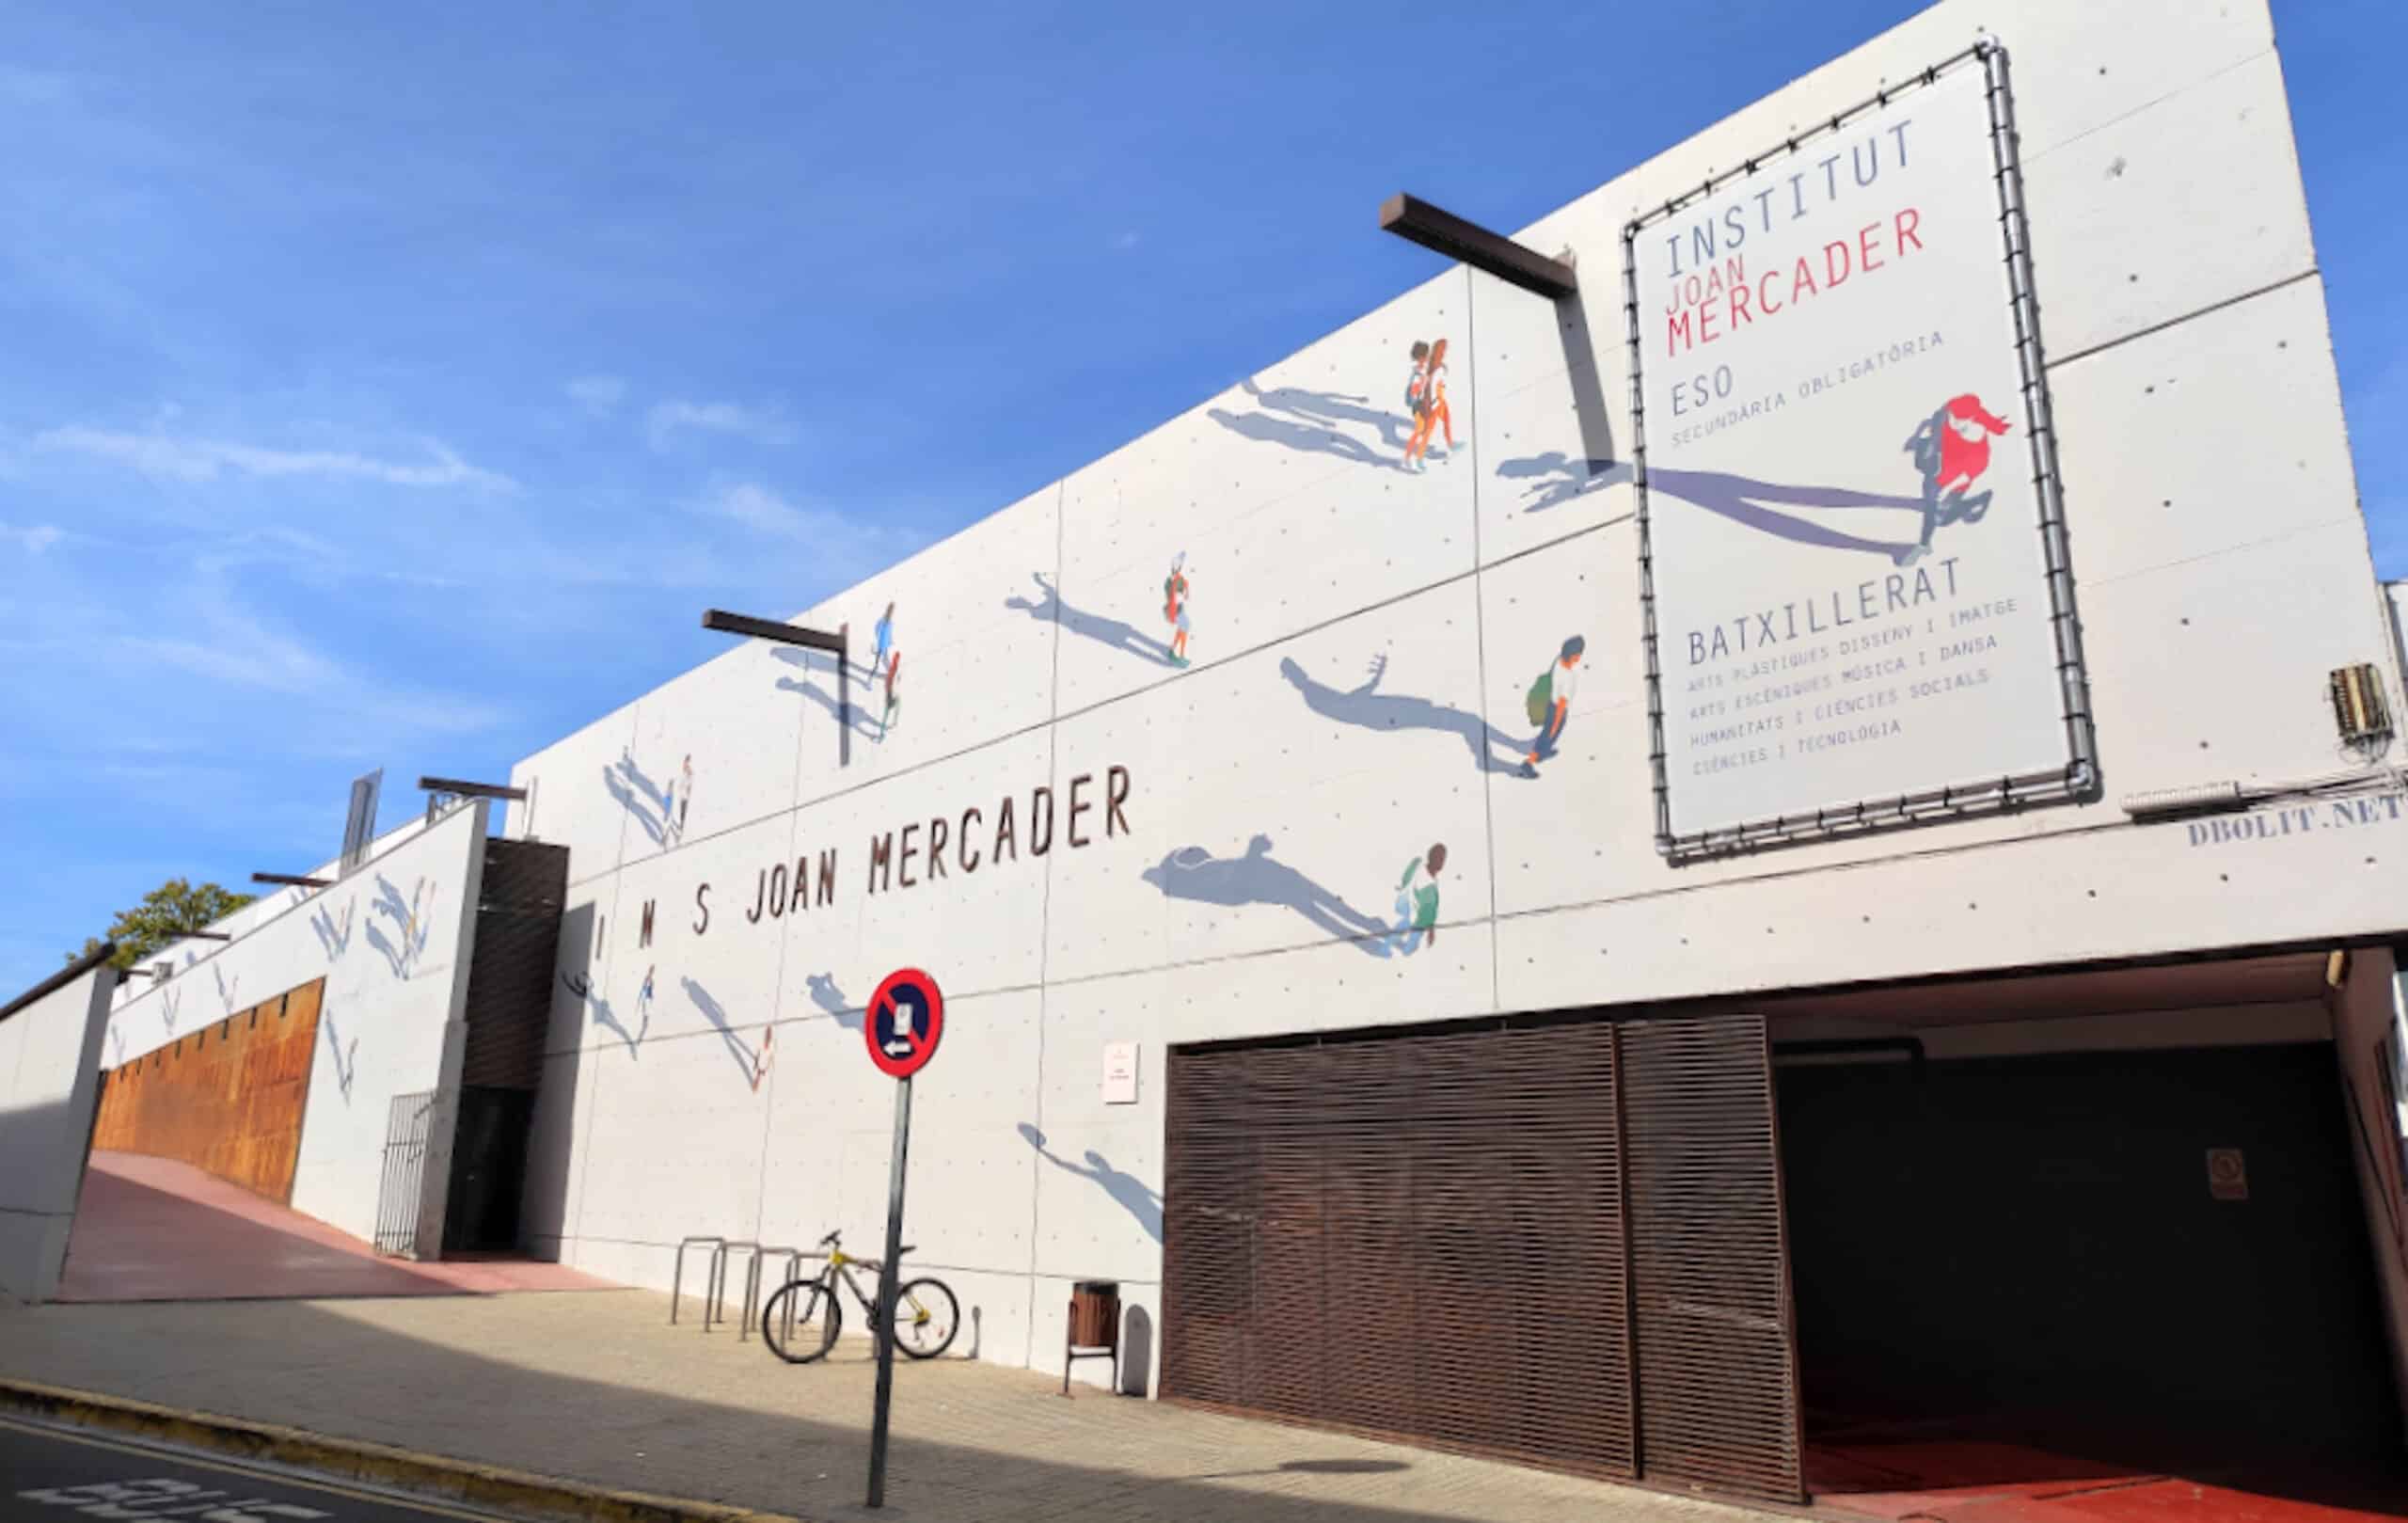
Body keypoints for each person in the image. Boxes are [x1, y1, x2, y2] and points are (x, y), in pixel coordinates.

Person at [1899, 393, 2011, 566]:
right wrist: (1918, 437)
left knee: (1941, 520)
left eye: (1959, 421)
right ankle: (1924, 545)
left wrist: (1947, 489)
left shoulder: (1979, 448)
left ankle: (1980, 499)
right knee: (1930, 506)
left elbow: (1967, 475)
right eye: (1952, 417)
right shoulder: (1952, 409)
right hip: (1936, 469)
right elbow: (1931, 421)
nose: (1953, 423)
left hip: (1954, 482)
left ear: (1971, 419)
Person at [1523, 636, 1585, 777]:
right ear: (1574, 656)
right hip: (1558, 710)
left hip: (1551, 704)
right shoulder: (1568, 677)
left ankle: (1544, 750)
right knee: (1548, 735)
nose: (1579, 657)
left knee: (1548, 734)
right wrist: (1555, 726)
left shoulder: (1559, 661)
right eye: (1579, 654)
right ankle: (1529, 762)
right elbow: (1562, 704)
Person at [1388, 843, 1446, 956]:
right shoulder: (1429, 887)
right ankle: (1405, 949)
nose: (1441, 862)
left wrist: (1404, 887)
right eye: (1440, 858)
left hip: (1405, 906)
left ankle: (1393, 940)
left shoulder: (1418, 863)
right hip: (1416, 917)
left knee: (1404, 924)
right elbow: (1427, 914)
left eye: (1442, 858)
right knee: (1412, 944)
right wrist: (1431, 929)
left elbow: (1406, 876)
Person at [1408, 338, 1454, 469]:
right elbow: (1418, 390)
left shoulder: (1434, 364)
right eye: (1441, 352)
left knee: (1446, 420)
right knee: (1426, 431)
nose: (1443, 354)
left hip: (1438, 399)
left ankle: (1451, 445)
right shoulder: (1421, 371)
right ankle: (1417, 458)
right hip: (1431, 404)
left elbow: (1437, 378)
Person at [1402, 341, 1431, 470]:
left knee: (1424, 429)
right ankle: (1409, 458)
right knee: (1420, 429)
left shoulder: (1422, 369)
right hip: (1417, 405)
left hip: (1422, 403)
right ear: (1421, 357)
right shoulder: (1418, 372)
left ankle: (1419, 453)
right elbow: (1413, 389)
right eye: (1426, 355)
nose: (1428, 357)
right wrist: (1417, 398)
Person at [1164, 554, 1192, 666]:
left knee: (1183, 628)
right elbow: (1178, 596)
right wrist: (1184, 592)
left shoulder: (1172, 580)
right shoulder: (1176, 581)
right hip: (1176, 610)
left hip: (1175, 609)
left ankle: (1172, 650)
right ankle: (1181, 655)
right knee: (1185, 626)